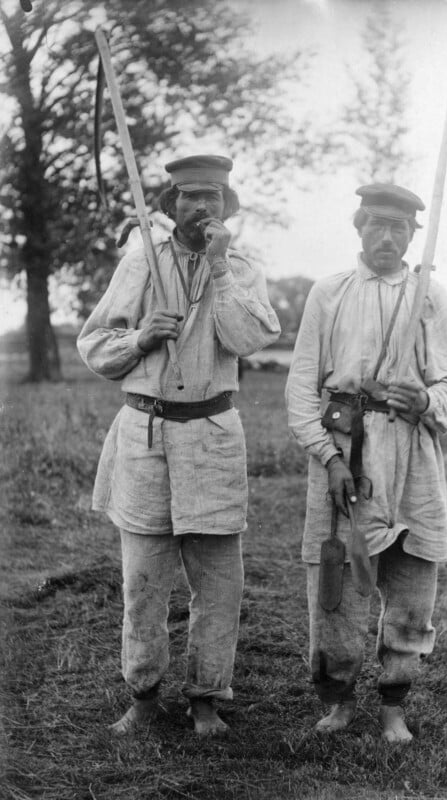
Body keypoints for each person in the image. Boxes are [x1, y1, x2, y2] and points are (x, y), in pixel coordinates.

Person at [77, 154, 280, 736]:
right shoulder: (142, 260)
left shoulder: (241, 269)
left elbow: (246, 337)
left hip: (212, 436)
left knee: (219, 583)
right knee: (143, 582)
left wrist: (218, 271)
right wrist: (141, 338)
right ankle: (142, 696)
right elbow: (94, 345)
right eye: (189, 197)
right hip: (144, 435)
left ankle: (207, 699)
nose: (201, 208)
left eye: (212, 198)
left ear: (225, 207)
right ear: (170, 208)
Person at [285, 183, 447, 743]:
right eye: (377, 224)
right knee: (337, 581)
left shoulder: (429, 295)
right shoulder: (330, 292)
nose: (387, 237)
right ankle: (338, 699)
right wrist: (327, 456)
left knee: (413, 577)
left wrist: (427, 401)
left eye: (399, 228)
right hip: (344, 451)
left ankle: (394, 702)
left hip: (412, 453)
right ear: (359, 226)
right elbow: (300, 387)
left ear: (415, 235)